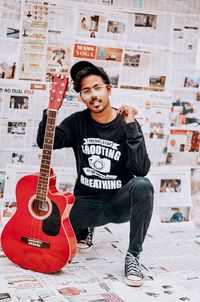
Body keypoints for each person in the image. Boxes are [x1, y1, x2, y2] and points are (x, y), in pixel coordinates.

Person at [37, 60, 154, 287]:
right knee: (48, 231)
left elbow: (141, 170)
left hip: (118, 203)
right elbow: (45, 142)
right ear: (81, 96)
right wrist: (49, 112)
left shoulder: (126, 123)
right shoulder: (77, 121)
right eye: (86, 91)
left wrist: (131, 127)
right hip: (86, 203)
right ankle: (85, 229)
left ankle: (133, 256)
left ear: (108, 89)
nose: (93, 95)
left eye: (97, 88)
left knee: (143, 185)